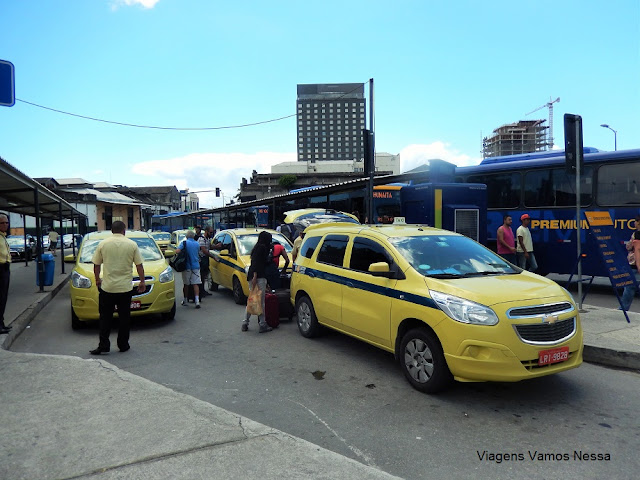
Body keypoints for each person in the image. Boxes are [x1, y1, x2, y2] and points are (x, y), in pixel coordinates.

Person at [90, 221, 145, 355]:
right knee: (124, 318)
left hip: (107, 288)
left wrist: (97, 279)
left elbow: (96, 265)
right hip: (125, 288)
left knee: (105, 318)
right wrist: (142, 281)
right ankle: (123, 344)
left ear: (111, 230)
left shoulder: (103, 244)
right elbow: (139, 265)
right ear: (124, 230)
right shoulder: (132, 244)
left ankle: (104, 345)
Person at [242, 231, 273, 333]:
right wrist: (255, 276)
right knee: (260, 301)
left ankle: (245, 322)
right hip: (258, 276)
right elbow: (257, 263)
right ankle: (262, 324)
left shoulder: (257, 247)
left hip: (253, 276)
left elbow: (254, 262)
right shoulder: (262, 248)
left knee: (252, 300)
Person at [175, 230, 202, 308]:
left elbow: (177, 251)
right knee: (195, 284)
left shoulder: (184, 243)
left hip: (187, 266)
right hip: (196, 266)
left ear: (186, 236)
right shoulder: (197, 244)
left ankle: (185, 300)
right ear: (193, 236)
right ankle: (197, 301)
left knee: (186, 284)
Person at [621, 229, 640, 311]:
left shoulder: (637, 234)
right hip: (634, 265)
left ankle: (623, 309)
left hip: (635, 266)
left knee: (629, 288)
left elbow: (637, 250)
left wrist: (639, 266)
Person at [0, 214, 12, 335]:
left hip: (5, 268)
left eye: (6, 223)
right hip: (1, 268)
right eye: (2, 223)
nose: (5, 225)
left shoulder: (3, 237)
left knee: (3, 297)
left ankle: (2, 323)